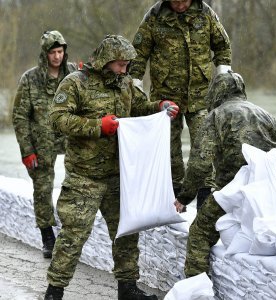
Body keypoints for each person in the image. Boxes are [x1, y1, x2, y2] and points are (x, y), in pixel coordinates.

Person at [44, 35, 179, 300]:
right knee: (73, 236)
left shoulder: (126, 83)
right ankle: (54, 291)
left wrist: (160, 106)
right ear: (106, 61)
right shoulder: (75, 83)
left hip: (119, 175)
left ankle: (127, 289)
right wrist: (97, 127)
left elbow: (140, 107)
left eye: (127, 65)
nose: (124, 70)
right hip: (85, 177)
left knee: (127, 234)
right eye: (120, 64)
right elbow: (57, 119)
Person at [174, 71, 276, 278]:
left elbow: (199, 164)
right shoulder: (264, 114)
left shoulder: (216, 116)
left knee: (199, 233)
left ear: (215, 92)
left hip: (233, 190)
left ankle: (195, 287)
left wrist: (184, 197)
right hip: (269, 186)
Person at [130, 0, 232, 203]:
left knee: (204, 144)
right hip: (165, 95)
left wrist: (223, 78)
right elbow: (138, 55)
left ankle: (205, 193)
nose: (180, 5)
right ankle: (175, 193)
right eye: (176, 1)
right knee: (168, 147)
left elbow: (222, 47)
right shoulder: (154, 17)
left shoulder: (206, 14)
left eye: (184, 1)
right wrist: (135, 88)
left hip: (201, 94)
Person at [12, 30, 77, 259]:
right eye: (53, 53)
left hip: (69, 135)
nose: (57, 57)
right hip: (41, 140)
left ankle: (73, 230)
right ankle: (48, 237)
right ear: (45, 54)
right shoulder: (30, 79)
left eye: (60, 52)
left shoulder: (72, 74)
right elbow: (20, 117)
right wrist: (27, 150)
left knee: (79, 181)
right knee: (42, 188)